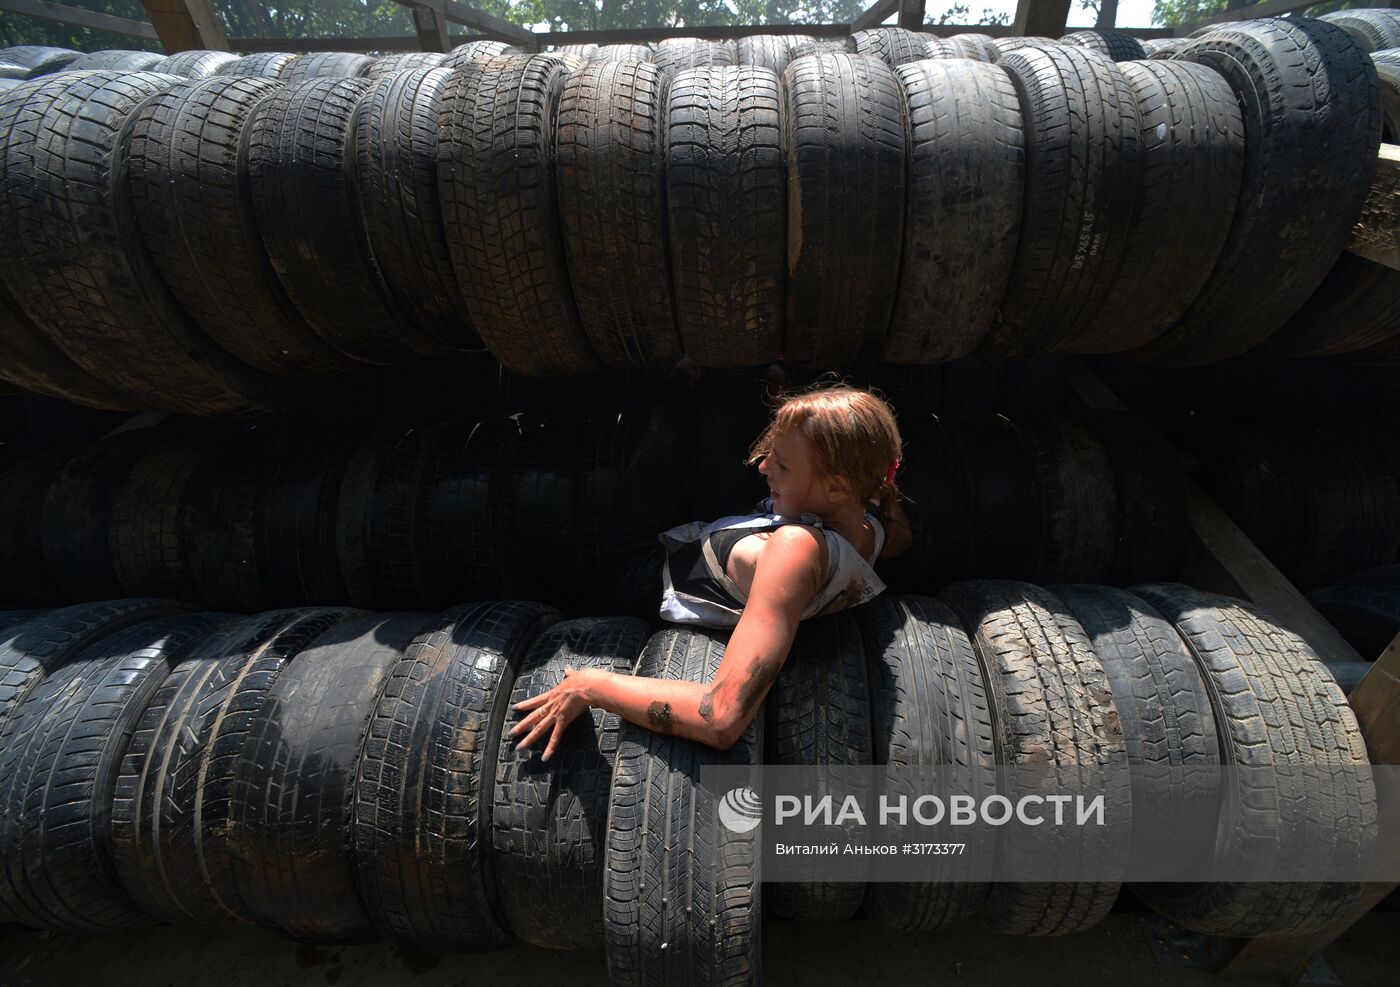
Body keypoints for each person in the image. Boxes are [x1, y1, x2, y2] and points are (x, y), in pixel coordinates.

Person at [510, 384, 912, 757]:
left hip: (645, 568)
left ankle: (679, 385)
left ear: (837, 488)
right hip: (728, 532)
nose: (764, 466)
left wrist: (592, 686)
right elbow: (900, 535)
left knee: (667, 419)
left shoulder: (795, 553)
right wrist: (883, 497)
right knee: (722, 407)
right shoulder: (868, 526)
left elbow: (721, 717)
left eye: (783, 465)